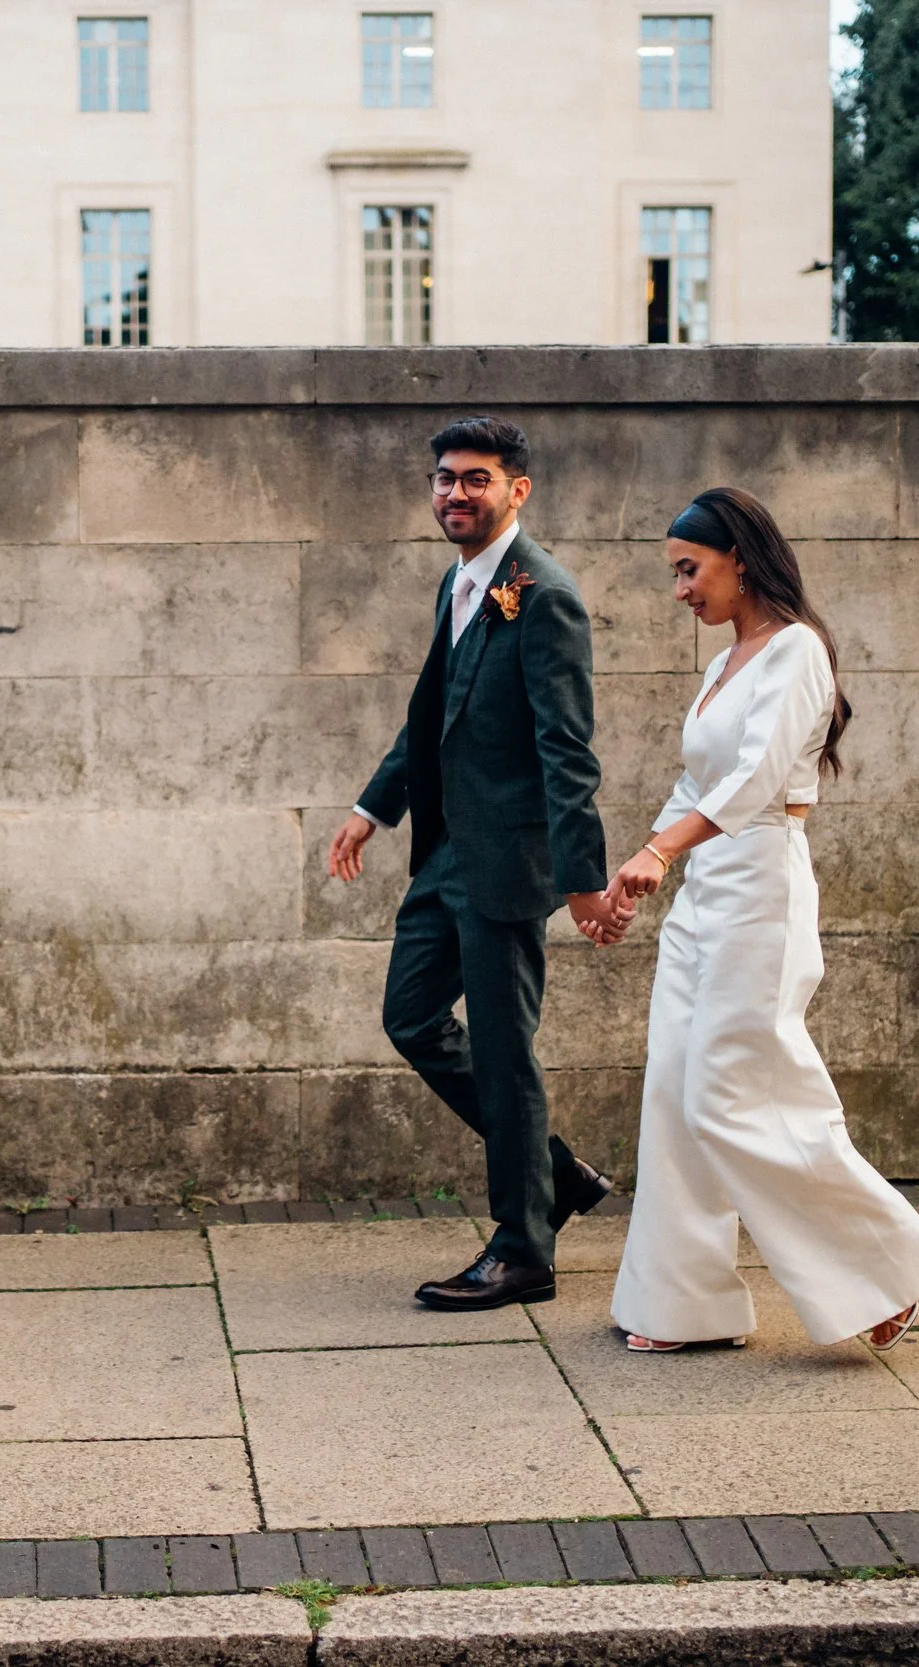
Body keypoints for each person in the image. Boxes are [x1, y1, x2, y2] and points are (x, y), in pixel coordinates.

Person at [593, 487, 919, 1353]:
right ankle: (680, 1305)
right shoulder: (725, 664)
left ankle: (882, 1272)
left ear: (740, 559)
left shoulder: (798, 651)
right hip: (705, 887)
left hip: (762, 884)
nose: (679, 589)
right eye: (675, 573)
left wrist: (664, 852)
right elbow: (695, 782)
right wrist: (634, 875)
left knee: (733, 1089)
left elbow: (753, 782)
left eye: (689, 570)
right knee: (675, 1088)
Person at [327, 416, 619, 1313]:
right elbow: (434, 714)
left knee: (503, 1053)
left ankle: (523, 1247)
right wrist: (374, 806)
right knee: (410, 1015)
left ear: (516, 491)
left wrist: (582, 880)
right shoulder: (460, 584)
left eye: (476, 479)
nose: (455, 493)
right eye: (444, 478)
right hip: (447, 852)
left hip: (508, 862)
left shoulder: (545, 596)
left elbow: (566, 749)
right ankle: (555, 1175)